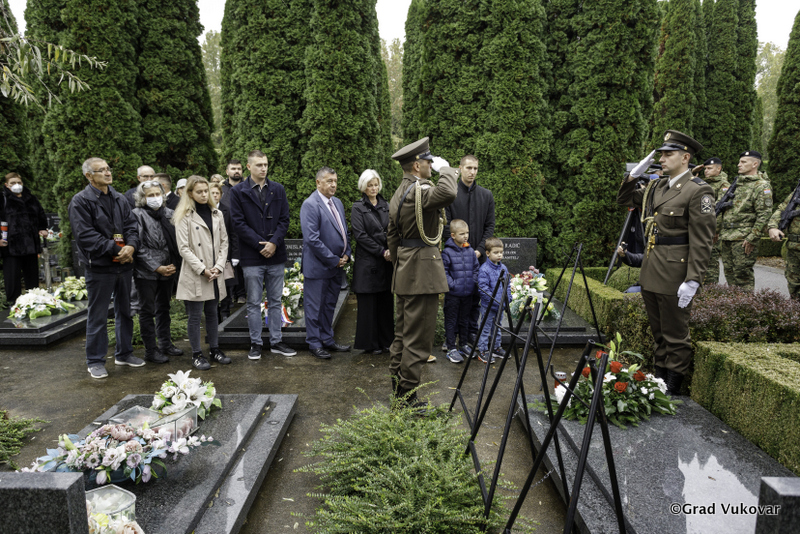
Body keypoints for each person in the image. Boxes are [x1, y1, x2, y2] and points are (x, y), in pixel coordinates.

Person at [617, 130, 715, 395]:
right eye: (660, 154)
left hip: (676, 271)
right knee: (658, 331)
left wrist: (693, 279)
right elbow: (624, 199)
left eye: (668, 154)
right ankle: (658, 380)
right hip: (652, 268)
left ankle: (673, 387)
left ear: (685, 157)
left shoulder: (699, 191)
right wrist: (632, 176)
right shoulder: (657, 187)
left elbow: (702, 241)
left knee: (675, 334)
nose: (661, 159)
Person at [387, 137, 458, 405]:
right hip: (422, 274)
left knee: (402, 335)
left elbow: (392, 237)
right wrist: (447, 169)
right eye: (429, 161)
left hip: (406, 271)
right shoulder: (420, 191)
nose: (431, 165)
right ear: (417, 165)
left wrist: (401, 267)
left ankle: (398, 390)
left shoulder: (399, 192)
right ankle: (407, 398)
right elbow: (448, 193)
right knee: (418, 339)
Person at [69, 157, 143, 379]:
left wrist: (131, 246)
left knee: (125, 311)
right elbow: (85, 236)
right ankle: (95, 361)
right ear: (89, 176)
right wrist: (116, 249)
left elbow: (131, 226)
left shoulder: (120, 198)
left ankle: (124, 353)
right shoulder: (80, 201)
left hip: (124, 264)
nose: (108, 173)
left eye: (108, 169)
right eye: (101, 170)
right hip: (100, 267)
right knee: (98, 315)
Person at [229, 150, 296, 359]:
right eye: (259, 165)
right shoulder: (238, 192)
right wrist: (260, 246)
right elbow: (238, 223)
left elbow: (284, 219)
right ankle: (256, 343)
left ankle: (276, 341)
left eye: (265, 164)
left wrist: (274, 243)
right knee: (253, 302)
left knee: (275, 301)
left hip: (276, 254)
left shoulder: (278, 189)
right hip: (252, 256)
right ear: (249, 167)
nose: (263, 168)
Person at [173, 175, 230, 370]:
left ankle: (214, 349)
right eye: (199, 192)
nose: (204, 195)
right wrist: (202, 269)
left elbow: (224, 242)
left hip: (214, 271)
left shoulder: (217, 213)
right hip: (196, 272)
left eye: (206, 191)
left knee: (213, 312)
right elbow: (184, 248)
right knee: (195, 315)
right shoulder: (184, 216)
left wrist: (219, 267)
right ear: (190, 193)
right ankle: (197, 354)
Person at [300, 167, 352, 360]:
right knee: (314, 308)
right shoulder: (310, 204)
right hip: (318, 267)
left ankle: (327, 339)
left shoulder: (337, 202)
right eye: (329, 181)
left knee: (329, 305)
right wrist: (333, 259)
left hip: (336, 266)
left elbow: (344, 231)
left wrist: (346, 253)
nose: (333, 185)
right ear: (318, 182)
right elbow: (312, 239)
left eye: (335, 181)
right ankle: (314, 343)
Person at [444, 155, 495, 344]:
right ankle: (451, 337)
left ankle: (471, 334)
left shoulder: (486, 195)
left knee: (475, 298)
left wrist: (480, 250)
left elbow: (489, 226)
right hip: (455, 258)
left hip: (478, 257)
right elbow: (446, 225)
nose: (472, 172)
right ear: (460, 168)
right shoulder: (450, 194)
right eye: (469, 168)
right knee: (454, 300)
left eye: (475, 168)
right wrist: (460, 250)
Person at [131, 180, 183, 363]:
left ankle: (165, 344)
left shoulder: (170, 214)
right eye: (150, 195)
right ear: (142, 198)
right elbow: (137, 245)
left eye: (157, 194)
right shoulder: (137, 215)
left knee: (164, 308)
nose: (155, 198)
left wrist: (172, 265)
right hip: (146, 272)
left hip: (168, 269)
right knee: (147, 310)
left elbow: (177, 241)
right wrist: (156, 267)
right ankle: (150, 350)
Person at [351, 169, 393, 354]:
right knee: (369, 304)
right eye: (370, 185)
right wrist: (381, 251)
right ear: (363, 187)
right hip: (368, 262)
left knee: (385, 302)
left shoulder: (387, 206)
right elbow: (360, 235)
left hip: (386, 262)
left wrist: (391, 249)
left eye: (376, 185)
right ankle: (371, 343)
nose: (374, 188)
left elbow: (393, 230)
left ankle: (386, 341)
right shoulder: (358, 207)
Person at [718, 151, 772, 291]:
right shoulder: (736, 184)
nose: (738, 164)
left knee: (742, 277)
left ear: (755, 164)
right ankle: (735, 304)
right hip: (727, 236)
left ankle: (745, 304)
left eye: (743, 162)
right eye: (739, 161)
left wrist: (752, 237)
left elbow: (764, 214)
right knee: (730, 275)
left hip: (743, 238)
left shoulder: (761, 186)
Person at [0, 173, 48, 302]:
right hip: (11, 246)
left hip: (31, 245)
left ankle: (34, 302)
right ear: (6, 185)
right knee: (12, 279)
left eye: (19, 182)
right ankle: (13, 304)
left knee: (32, 278)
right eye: (13, 183)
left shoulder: (31, 198)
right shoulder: (3, 199)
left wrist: (42, 228)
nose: (16, 185)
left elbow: (40, 215)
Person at [441, 219, 479, 364]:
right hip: (453, 295)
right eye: (462, 234)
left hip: (468, 293)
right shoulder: (447, 252)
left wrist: (472, 282)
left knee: (464, 320)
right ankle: (451, 348)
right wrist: (453, 285)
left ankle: (463, 345)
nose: (465, 236)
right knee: (451, 321)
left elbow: (475, 269)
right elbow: (444, 271)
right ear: (453, 235)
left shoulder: (470, 251)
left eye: (467, 233)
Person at [692, 157, 730, 284]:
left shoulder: (723, 185)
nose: (706, 171)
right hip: (698, 227)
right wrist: (692, 172)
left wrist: (715, 230)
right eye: (705, 169)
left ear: (719, 169)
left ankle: (710, 289)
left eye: (710, 168)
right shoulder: (702, 183)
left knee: (710, 261)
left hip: (710, 229)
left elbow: (720, 209)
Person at [477, 238, 511, 363]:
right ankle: (483, 350)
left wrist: (508, 299)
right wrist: (495, 301)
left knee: (497, 327)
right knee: (485, 328)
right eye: (496, 252)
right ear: (487, 253)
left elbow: (507, 285)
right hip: (489, 305)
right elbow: (483, 289)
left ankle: (496, 348)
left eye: (501, 252)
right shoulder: (484, 269)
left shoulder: (504, 268)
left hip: (501, 305)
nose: (499, 255)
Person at [210, 182, 239, 321]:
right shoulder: (203, 211)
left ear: (221, 195)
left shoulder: (227, 210)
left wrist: (235, 255)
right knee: (213, 285)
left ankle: (225, 311)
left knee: (227, 284)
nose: (215, 195)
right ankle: (214, 313)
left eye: (217, 193)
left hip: (225, 253)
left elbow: (233, 234)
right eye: (212, 193)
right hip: (210, 254)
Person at [767, 182, 800, 300]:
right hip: (793, 248)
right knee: (794, 288)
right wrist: (772, 227)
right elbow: (782, 209)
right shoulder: (798, 190)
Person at [219, 159, 245, 302]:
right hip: (226, 231)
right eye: (233, 169)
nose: (236, 171)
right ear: (227, 171)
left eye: (239, 169)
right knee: (228, 262)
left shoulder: (247, 187)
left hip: (244, 231)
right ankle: (230, 295)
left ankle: (242, 294)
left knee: (242, 264)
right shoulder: (221, 189)